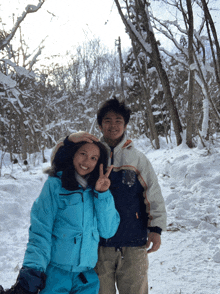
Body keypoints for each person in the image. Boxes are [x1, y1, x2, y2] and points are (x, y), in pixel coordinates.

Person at [50, 97, 167, 294]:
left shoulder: (137, 158)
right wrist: (70, 141)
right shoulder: (90, 154)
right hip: (98, 245)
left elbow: (152, 194)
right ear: (100, 124)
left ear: (126, 124)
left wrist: (156, 228)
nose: (113, 126)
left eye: (118, 121)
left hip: (133, 244)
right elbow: (57, 163)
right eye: (107, 120)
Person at [0, 141, 120, 294]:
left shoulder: (97, 189)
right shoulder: (54, 186)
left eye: (93, 158)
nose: (87, 161)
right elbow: (40, 232)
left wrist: (102, 194)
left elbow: (108, 231)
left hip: (86, 278)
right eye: (83, 153)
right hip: (55, 276)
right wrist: (33, 271)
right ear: (72, 154)